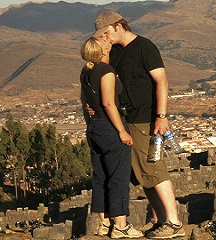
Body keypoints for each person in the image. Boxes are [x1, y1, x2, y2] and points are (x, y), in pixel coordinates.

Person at [93, 11, 184, 239]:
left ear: (118, 26)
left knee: (154, 168)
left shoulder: (145, 47)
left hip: (145, 118)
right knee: (142, 174)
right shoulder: (115, 52)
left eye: (106, 32)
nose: (105, 37)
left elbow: (161, 81)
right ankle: (161, 220)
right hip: (127, 119)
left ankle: (174, 223)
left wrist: (161, 115)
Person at [80, 36, 143, 238]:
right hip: (109, 128)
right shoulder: (106, 71)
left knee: (100, 177)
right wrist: (121, 131)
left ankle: (104, 223)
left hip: (95, 128)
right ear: (103, 50)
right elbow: (109, 103)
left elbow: (84, 102)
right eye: (105, 41)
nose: (109, 41)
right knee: (118, 176)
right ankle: (121, 226)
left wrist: (91, 125)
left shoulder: (86, 71)